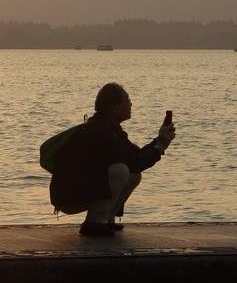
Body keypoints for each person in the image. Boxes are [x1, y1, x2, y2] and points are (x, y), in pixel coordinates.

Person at [50, 82, 176, 237]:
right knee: (121, 170)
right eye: (127, 99)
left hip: (78, 190)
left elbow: (135, 158)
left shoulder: (109, 128)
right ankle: (94, 222)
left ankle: (106, 219)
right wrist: (159, 147)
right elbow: (136, 162)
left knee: (132, 174)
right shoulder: (102, 132)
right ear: (115, 108)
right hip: (69, 197)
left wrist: (159, 142)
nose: (131, 103)